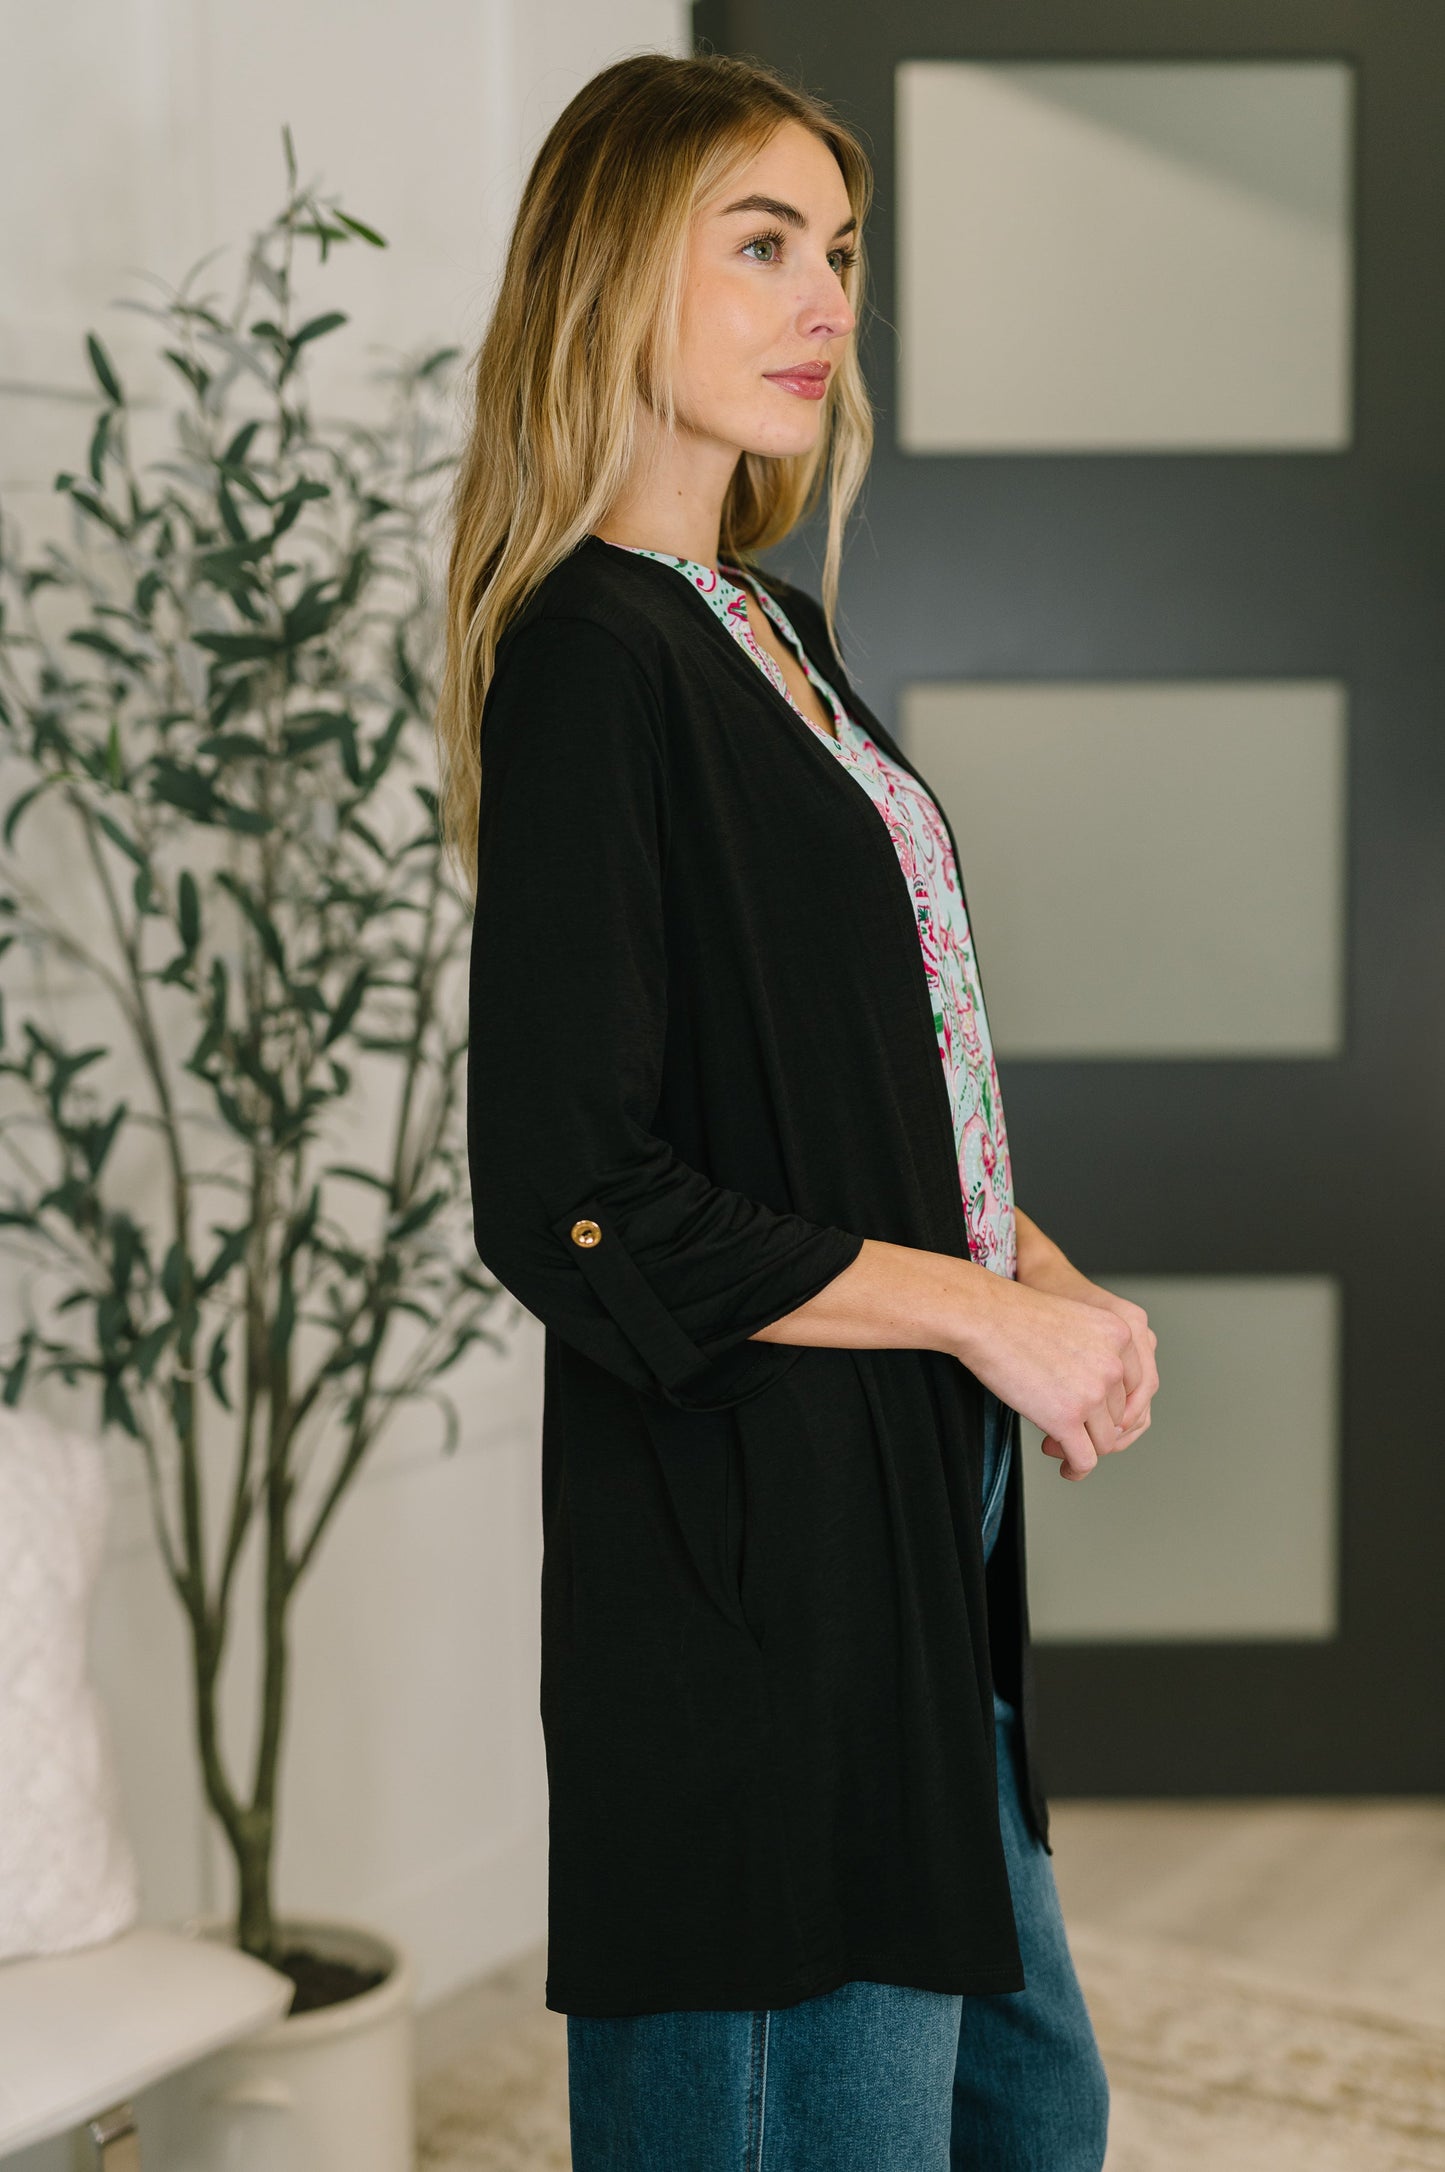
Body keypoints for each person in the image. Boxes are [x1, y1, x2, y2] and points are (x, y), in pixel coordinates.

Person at [436, 48, 1159, 2172]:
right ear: (607, 273)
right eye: (759, 244)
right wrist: (965, 1315)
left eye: (836, 252)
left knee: (1032, 2108)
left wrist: (1037, 1279)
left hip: (915, 1530)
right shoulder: (592, 656)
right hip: (752, 1566)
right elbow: (567, 1192)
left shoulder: (770, 629)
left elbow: (876, 1071)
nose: (822, 296)